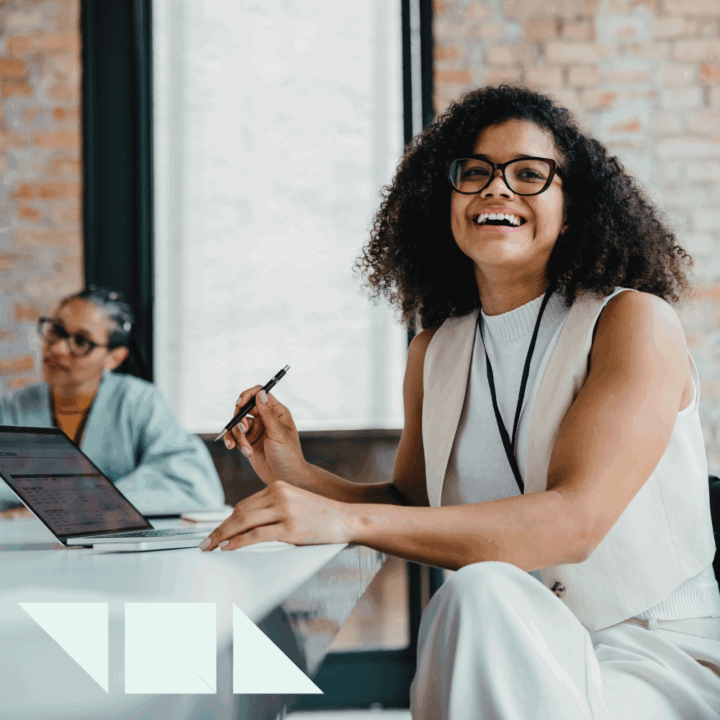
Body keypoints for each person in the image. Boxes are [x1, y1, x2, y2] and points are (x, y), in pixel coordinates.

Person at [200, 85, 720, 718]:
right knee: (480, 599)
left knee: (476, 594)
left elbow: (573, 524)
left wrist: (343, 520)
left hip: (648, 653)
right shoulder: (436, 351)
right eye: (474, 173)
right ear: (442, 198)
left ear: (572, 203)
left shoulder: (631, 321)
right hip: (500, 645)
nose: (497, 189)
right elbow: (414, 509)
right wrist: (297, 474)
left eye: (529, 174)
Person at [0, 286, 225, 517]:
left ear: (114, 358)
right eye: (56, 331)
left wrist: (82, 503)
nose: (58, 348)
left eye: (81, 341)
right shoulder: (12, 408)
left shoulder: (140, 402)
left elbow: (193, 485)